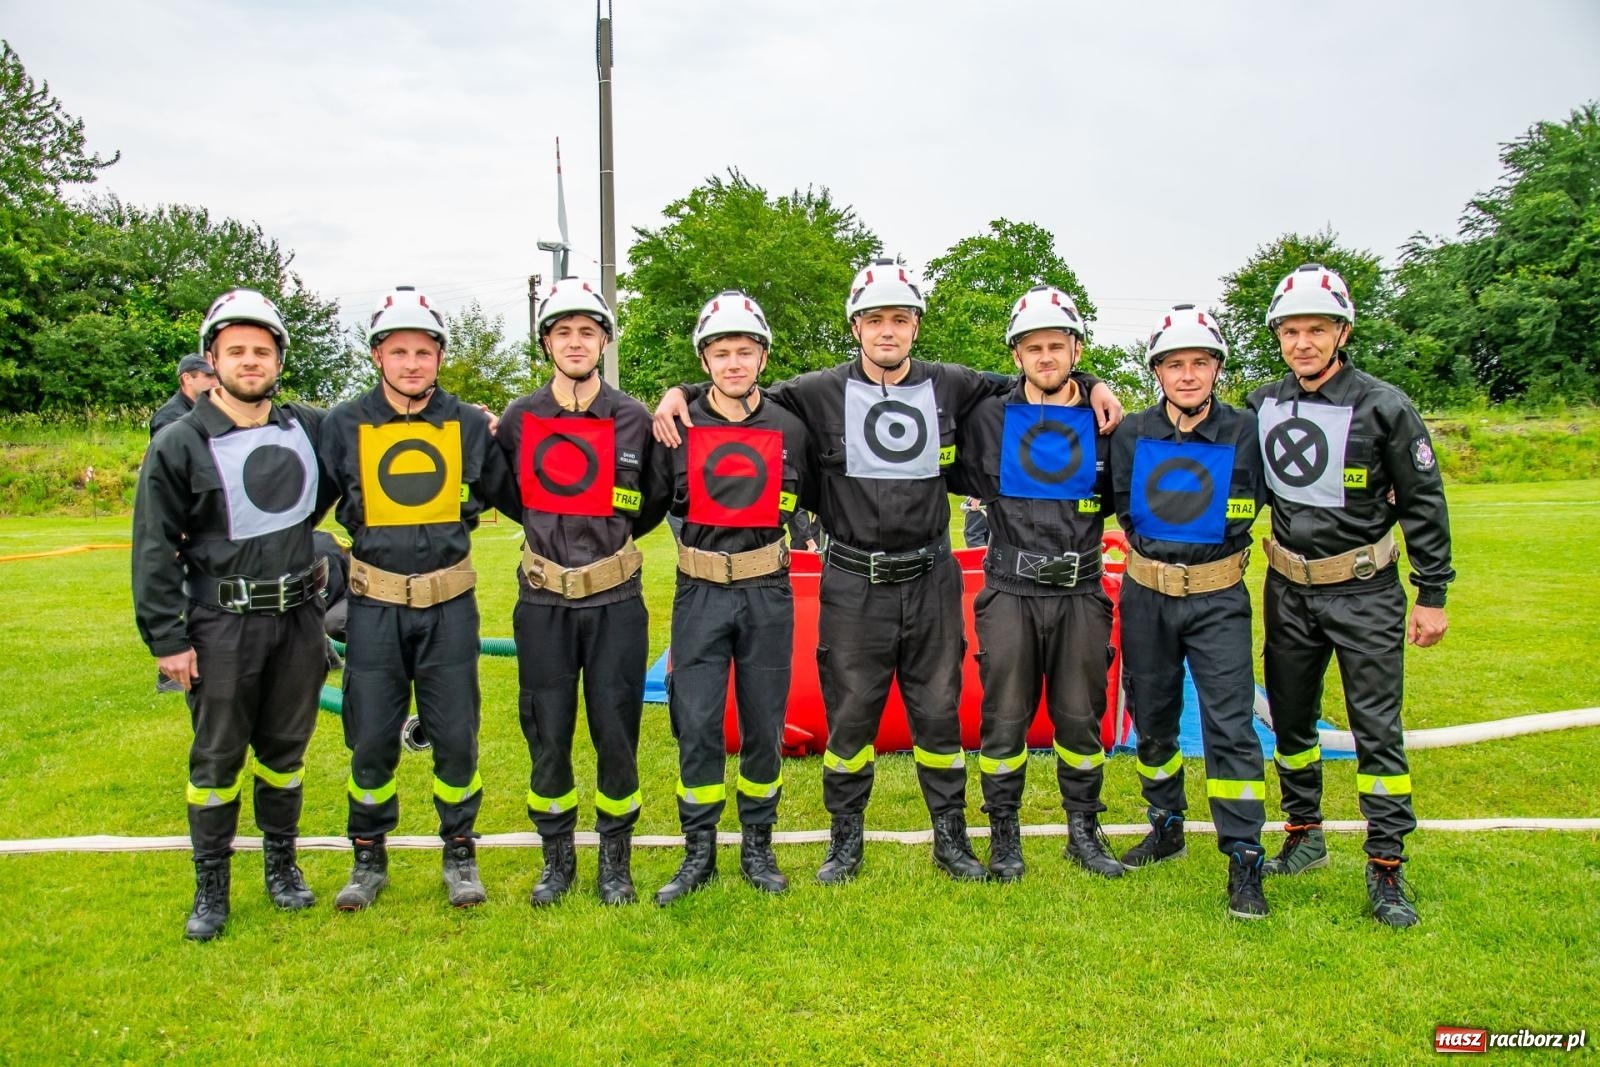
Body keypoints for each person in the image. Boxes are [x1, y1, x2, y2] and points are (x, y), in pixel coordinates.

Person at [654, 258, 1122, 884]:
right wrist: (679, 392)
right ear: (855, 328)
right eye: (874, 320)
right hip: (851, 583)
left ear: (915, 327)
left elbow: (1034, 372)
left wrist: (1091, 382)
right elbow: (737, 397)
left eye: (899, 319)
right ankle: (845, 844)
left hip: (931, 578)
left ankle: (950, 842)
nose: (887, 332)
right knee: (849, 721)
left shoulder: (953, 384)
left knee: (938, 717)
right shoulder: (814, 393)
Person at [1249, 263, 1453, 928]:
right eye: (1291, 330)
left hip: (1364, 591)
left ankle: (1387, 864)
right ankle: (1303, 834)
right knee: (1292, 723)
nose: (1303, 342)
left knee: (1376, 729)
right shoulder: (1262, 402)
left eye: (1317, 329)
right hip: (1288, 589)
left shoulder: (1385, 405)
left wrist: (1432, 592)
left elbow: (1424, 502)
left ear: (1341, 331)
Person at [132, 289, 333, 941]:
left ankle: (282, 867)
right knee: (217, 758)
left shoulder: (308, 428)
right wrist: (168, 639)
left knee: (284, 752)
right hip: (221, 624)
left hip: (300, 621)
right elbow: (154, 544)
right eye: (236, 350)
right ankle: (211, 888)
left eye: (263, 350)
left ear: (279, 358)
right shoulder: (179, 442)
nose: (251, 361)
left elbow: (346, 475)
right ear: (212, 358)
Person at [318, 286, 521, 911]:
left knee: (456, 735)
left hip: (449, 607)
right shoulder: (343, 423)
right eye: (399, 351)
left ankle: (460, 852)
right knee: (372, 736)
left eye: (424, 351)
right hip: (373, 608)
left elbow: (511, 493)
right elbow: (304, 505)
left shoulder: (467, 424)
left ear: (439, 356)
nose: (412, 363)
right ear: (378, 356)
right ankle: (367, 857)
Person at [496, 278, 668, 907]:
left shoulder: (633, 418)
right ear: (547, 343)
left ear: (603, 341)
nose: (575, 342)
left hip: (615, 600)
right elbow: (509, 494)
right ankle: (557, 856)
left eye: (586, 332)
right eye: (563, 332)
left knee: (615, 728)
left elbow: (650, 502)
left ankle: (615, 859)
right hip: (543, 601)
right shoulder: (520, 418)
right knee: (547, 728)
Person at [643, 291, 815, 904]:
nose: (734, 362)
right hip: (699, 591)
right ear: (706, 360)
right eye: (721, 352)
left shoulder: (792, 423)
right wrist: (675, 395)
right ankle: (697, 853)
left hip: (768, 590)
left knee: (765, 723)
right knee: (696, 723)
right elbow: (647, 502)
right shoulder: (677, 425)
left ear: (762, 358)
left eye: (745, 351)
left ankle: (758, 848)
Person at [949, 285, 1123, 883]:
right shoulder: (990, 418)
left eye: (1057, 345)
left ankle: (1084, 830)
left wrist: (1098, 384)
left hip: (1081, 593)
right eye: (1032, 347)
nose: (1045, 357)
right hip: (1009, 589)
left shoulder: (1106, 423)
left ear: (1076, 349)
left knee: (1081, 717)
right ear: (1016, 355)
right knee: (1004, 717)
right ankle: (1003, 834)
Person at [1111, 305, 1270, 919]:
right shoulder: (1131, 433)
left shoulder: (1247, 429)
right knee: (1152, 719)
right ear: (1157, 371)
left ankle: (1244, 859)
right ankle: (1167, 824)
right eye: (1174, 364)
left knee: (1231, 728)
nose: (1187, 374)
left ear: (1216, 368)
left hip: (1218, 598)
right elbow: (1117, 508)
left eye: (1200, 362)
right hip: (1147, 598)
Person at [148, 353, 218, 438]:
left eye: (216, 377)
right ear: (187, 378)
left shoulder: (208, 410)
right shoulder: (167, 417)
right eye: (209, 376)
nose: (215, 383)